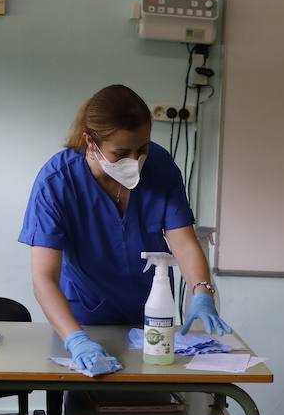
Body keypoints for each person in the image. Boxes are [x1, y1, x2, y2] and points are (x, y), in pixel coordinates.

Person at [19, 84, 230, 376]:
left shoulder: (161, 167)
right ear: (90, 143)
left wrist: (201, 290)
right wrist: (76, 340)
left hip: (152, 323)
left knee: (156, 410)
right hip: (83, 323)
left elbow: (183, 241)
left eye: (141, 148)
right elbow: (44, 278)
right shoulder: (57, 182)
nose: (135, 161)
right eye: (121, 152)